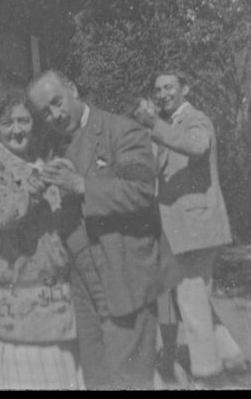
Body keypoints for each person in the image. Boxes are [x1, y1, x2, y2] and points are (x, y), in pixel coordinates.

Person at [29, 70, 160, 389]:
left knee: (128, 376)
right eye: (45, 112)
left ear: (73, 89)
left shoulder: (121, 130)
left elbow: (142, 190)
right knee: (96, 374)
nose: (55, 115)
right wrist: (40, 190)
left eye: (57, 103)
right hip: (81, 280)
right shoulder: (54, 146)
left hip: (120, 272)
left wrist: (81, 185)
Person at [134, 71, 249, 387]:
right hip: (176, 229)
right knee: (190, 294)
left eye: (169, 87)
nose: (162, 94)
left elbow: (197, 146)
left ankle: (207, 373)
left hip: (194, 227)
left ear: (185, 88)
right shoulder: (168, 124)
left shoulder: (196, 119)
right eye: (157, 89)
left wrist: (154, 125)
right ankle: (230, 352)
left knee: (190, 299)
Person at [0, 92, 83, 389]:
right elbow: (2, 214)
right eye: (8, 122)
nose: (17, 130)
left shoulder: (39, 160)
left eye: (24, 120)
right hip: (19, 307)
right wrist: (36, 185)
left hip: (56, 303)